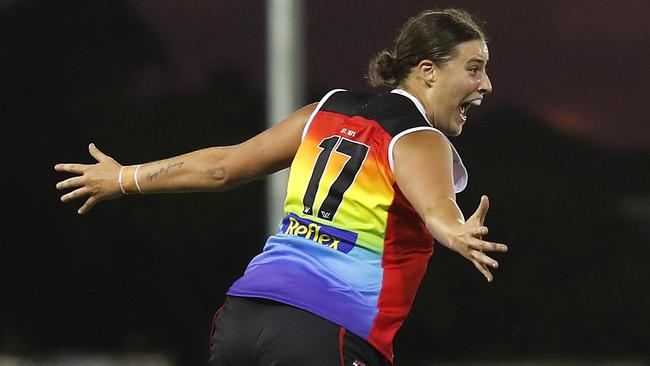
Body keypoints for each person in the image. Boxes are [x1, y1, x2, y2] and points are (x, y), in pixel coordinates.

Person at [55, 8, 508, 366]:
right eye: (474, 68)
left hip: (242, 319)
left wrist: (122, 177)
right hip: (326, 332)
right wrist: (456, 233)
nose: (485, 83)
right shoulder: (419, 137)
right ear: (428, 71)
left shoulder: (327, 110)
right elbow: (436, 210)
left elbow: (223, 167)